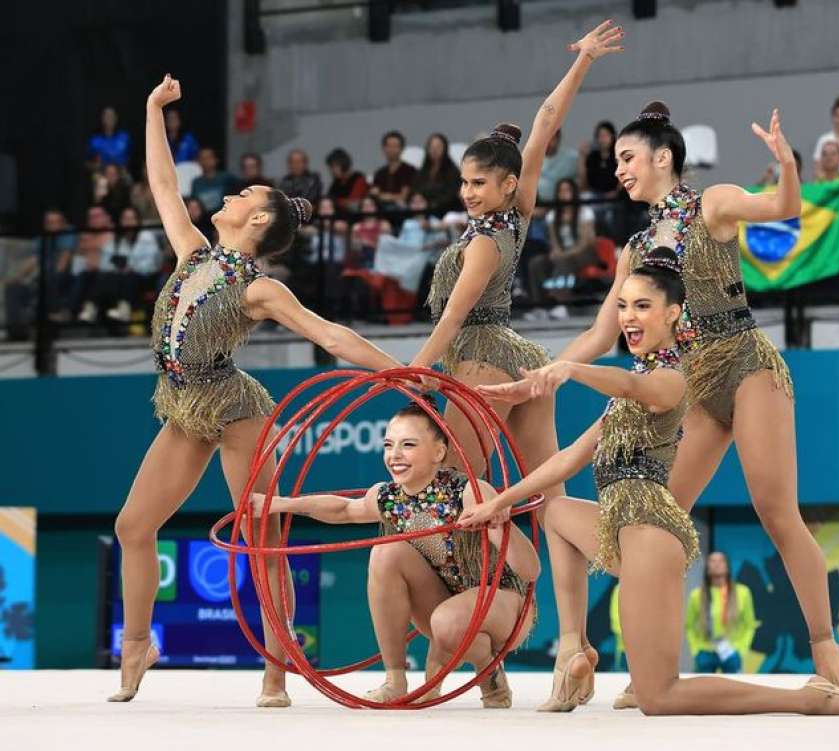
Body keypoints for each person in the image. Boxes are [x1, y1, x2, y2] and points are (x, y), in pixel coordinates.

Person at [488, 100, 839, 703]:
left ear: (663, 158)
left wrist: (787, 165)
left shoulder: (710, 204)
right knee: (655, 519)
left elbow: (784, 208)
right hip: (688, 384)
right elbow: (603, 334)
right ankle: (646, 667)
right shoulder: (634, 250)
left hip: (744, 362)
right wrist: (543, 374)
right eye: (616, 162)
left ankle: (825, 649)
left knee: (774, 510)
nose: (620, 170)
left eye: (628, 158)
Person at [461, 249, 839, 716]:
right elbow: (564, 461)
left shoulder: (672, 377)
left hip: (650, 533)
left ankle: (808, 699)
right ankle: (571, 647)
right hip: (620, 528)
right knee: (554, 510)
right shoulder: (631, 389)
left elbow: (632, 387)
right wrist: (499, 502)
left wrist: (569, 369)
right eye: (622, 306)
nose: (628, 317)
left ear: (673, 312)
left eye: (642, 306)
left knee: (660, 697)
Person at [109, 74, 403, 708]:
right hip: (187, 408)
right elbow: (162, 182)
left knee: (262, 533)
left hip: (236, 408)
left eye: (244, 193)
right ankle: (137, 644)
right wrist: (152, 109)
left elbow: (331, 335)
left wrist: (397, 373)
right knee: (133, 526)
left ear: (258, 218)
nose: (231, 194)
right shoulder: (191, 252)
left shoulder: (258, 288)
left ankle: (277, 668)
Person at [411, 23, 624, 696]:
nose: (469, 193)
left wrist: (411, 376)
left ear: (507, 184)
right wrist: (583, 61)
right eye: (465, 183)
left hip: (477, 364)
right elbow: (545, 122)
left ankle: (489, 655)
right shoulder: (516, 214)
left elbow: (451, 319)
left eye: (480, 183)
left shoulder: (482, 244)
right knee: (551, 500)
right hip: (522, 366)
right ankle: (572, 645)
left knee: (465, 497)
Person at [251, 400, 539, 707]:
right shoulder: (388, 497)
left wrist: (498, 523)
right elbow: (344, 509)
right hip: (444, 606)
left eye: (408, 445)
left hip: (506, 605)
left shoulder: (471, 492)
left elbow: (530, 571)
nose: (395, 455)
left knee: (447, 622)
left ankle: (481, 670)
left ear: (439, 453)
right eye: (389, 445)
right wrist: (280, 504)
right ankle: (396, 680)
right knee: (385, 552)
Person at [525, 177, 597, 321]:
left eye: (567, 190)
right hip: (563, 254)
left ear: (574, 192)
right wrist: (557, 252)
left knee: (564, 260)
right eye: (561, 191)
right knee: (536, 263)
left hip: (584, 253)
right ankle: (539, 306)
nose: (564, 194)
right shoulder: (553, 216)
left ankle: (562, 304)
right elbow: (554, 241)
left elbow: (587, 242)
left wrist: (563, 254)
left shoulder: (585, 212)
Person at [3, 209, 75, 338]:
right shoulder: (42, 237)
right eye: (48, 223)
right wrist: (16, 278)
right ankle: (15, 331)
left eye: (55, 222)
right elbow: (34, 260)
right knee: (12, 289)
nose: (51, 226)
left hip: (61, 278)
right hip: (41, 280)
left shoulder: (67, 234)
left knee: (49, 279)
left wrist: (51, 277)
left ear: (62, 224)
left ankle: (53, 318)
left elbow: (64, 260)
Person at [686, 551, 757, 674]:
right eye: (712, 561)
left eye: (721, 561)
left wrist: (741, 649)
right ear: (707, 567)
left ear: (727, 566)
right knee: (704, 691)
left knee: (733, 691)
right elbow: (689, 626)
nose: (717, 564)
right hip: (705, 652)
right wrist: (696, 649)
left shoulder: (743, 592)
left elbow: (750, 625)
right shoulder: (696, 595)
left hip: (731, 651)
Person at [412, 133, 462, 215]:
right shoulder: (422, 171)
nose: (434, 150)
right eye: (431, 147)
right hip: (422, 211)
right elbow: (415, 190)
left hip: (445, 211)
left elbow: (451, 195)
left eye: (438, 147)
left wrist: (431, 204)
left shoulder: (452, 172)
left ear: (444, 149)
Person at [372, 131, 416, 208]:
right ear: (384, 148)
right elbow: (374, 194)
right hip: (381, 210)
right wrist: (392, 197)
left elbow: (403, 196)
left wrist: (385, 196)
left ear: (401, 149)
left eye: (395, 146)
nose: (391, 149)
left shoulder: (409, 170)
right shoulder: (380, 173)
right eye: (388, 146)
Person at [190, 147, 238, 214]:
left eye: (208, 157)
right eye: (202, 158)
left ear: (216, 160)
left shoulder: (227, 178)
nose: (206, 161)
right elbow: (194, 203)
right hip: (204, 221)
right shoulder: (196, 182)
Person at [324, 148, 368, 213]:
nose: (331, 171)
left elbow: (354, 205)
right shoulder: (336, 182)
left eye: (333, 167)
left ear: (343, 165)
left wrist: (336, 202)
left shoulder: (358, 178)